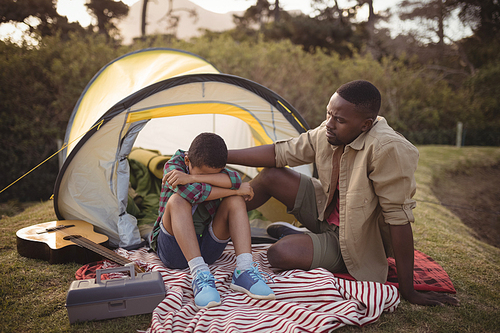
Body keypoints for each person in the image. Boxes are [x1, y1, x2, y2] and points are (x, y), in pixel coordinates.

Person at [227, 80, 459, 306]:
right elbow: (280, 153)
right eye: (329, 114)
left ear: (365, 125)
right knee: (271, 176)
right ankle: (218, 227)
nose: (329, 123)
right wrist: (222, 155)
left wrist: (409, 291)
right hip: (323, 213)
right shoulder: (331, 131)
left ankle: (302, 238)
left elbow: (398, 220)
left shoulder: (388, 149)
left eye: (339, 119)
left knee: (279, 253)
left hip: (355, 241)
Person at [149, 132, 275, 309]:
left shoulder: (209, 167)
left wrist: (193, 177)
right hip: (173, 251)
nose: (205, 176)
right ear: (187, 162)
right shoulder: (174, 166)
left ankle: (244, 270)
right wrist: (234, 190)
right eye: (199, 173)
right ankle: (200, 275)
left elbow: (235, 179)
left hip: (208, 249)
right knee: (177, 200)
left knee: (235, 201)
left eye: (215, 175)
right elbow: (190, 192)